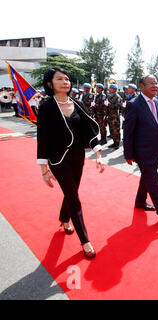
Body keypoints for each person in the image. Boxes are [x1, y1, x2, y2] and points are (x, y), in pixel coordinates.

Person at [36, 67, 105, 259]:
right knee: (73, 196)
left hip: (77, 156)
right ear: (50, 84)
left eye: (67, 79)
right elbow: (43, 138)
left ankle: (64, 219)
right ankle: (85, 240)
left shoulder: (77, 102)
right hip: (58, 159)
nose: (65, 82)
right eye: (60, 79)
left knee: (71, 190)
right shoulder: (46, 107)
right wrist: (44, 169)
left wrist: (98, 153)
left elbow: (87, 130)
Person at [123, 75, 158, 224]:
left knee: (147, 176)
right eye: (151, 84)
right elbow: (128, 131)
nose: (155, 86)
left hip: (157, 149)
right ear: (141, 86)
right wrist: (128, 153)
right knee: (153, 180)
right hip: (142, 150)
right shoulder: (134, 104)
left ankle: (140, 201)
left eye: (156, 83)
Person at [106, 84, 122, 149]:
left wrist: (109, 104)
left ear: (114, 89)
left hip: (115, 116)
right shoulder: (109, 96)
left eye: (111, 88)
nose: (109, 89)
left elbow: (117, 106)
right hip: (110, 115)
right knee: (111, 130)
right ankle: (114, 142)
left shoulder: (118, 97)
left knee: (116, 130)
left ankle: (117, 143)